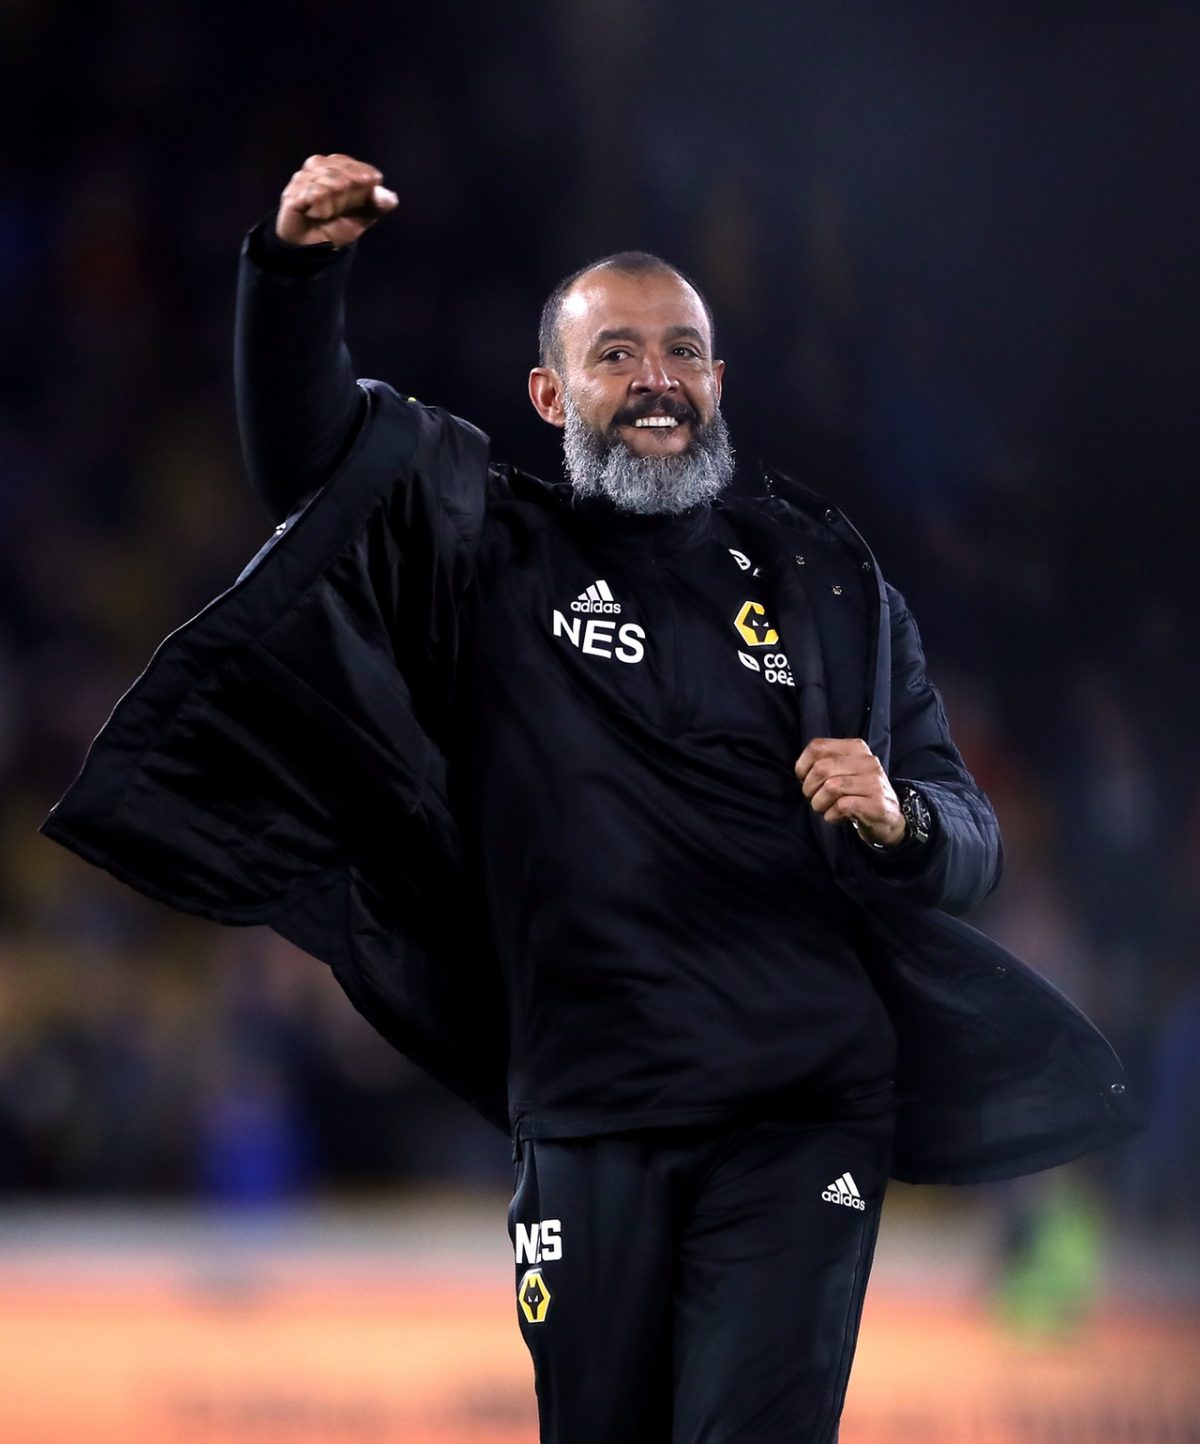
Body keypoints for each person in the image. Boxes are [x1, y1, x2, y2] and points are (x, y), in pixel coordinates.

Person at [43, 154, 1137, 1444]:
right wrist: (292, 280)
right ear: (550, 394)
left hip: (801, 1111)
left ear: (720, 383)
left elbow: (969, 840)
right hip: (586, 1110)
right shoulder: (484, 551)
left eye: (684, 352)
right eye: (617, 354)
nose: (657, 378)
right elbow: (311, 466)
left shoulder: (831, 587)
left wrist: (905, 819)